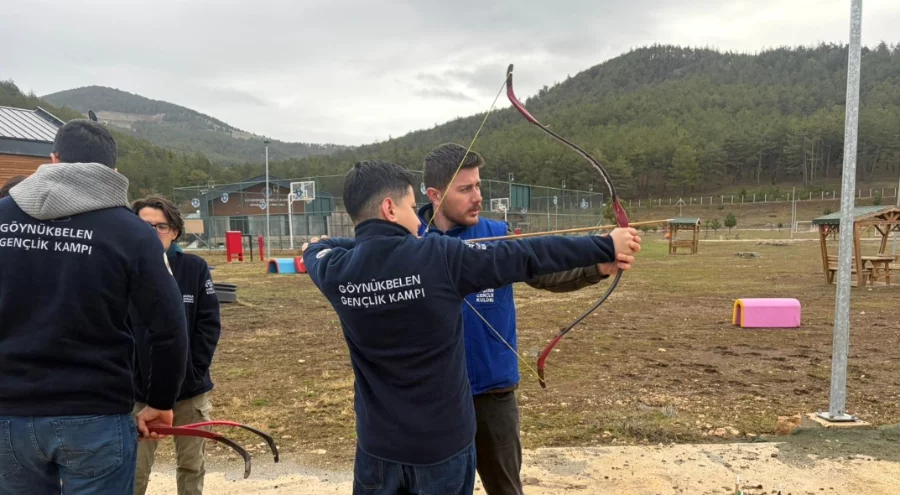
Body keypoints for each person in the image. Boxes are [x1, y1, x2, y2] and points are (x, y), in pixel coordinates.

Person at [302, 159, 640, 495]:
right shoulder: (441, 256)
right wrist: (606, 244)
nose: (418, 222)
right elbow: (528, 255)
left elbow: (317, 249)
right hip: (443, 448)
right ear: (390, 208)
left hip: (378, 449)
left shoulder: (333, 270)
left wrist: (347, 244)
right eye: (409, 207)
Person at [418, 142, 621, 495]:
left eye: (478, 185)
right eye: (465, 189)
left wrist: (598, 266)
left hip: (492, 393)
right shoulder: (411, 240)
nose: (477, 196)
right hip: (435, 397)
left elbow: (542, 271)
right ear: (435, 194)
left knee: (506, 488)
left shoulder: (496, 233)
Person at [0, 119, 188, 494]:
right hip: (95, 412)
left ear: (54, 159)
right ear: (113, 171)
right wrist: (160, 401)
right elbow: (169, 327)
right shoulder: (132, 232)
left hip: (8, 413)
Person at [130, 195, 222, 495]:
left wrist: (193, 372)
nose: (154, 233)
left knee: (192, 465)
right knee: (134, 469)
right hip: (138, 395)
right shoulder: (122, 270)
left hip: (188, 394)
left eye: (161, 226)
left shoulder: (194, 268)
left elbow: (208, 326)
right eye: (145, 226)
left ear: (175, 232)